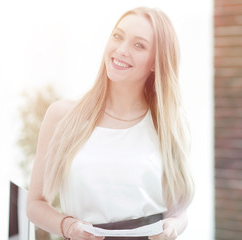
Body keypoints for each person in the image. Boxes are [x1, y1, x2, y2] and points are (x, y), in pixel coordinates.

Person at [26, 6, 194, 240]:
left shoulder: (170, 123)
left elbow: (179, 211)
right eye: (118, 36)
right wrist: (67, 226)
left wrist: (174, 227)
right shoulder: (62, 116)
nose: (122, 50)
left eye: (139, 45)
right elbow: (35, 204)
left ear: (156, 62)